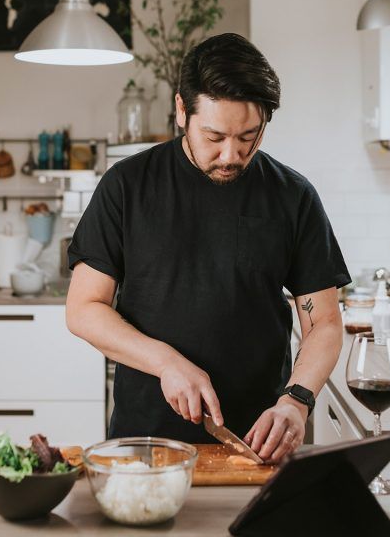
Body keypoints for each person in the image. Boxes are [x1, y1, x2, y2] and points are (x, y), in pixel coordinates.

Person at [66, 33, 349, 462]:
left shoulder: (293, 196)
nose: (231, 155)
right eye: (214, 136)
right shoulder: (128, 186)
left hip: (259, 440)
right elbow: (83, 308)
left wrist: (297, 400)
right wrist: (166, 362)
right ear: (182, 110)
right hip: (146, 439)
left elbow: (324, 322)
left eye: (249, 136)